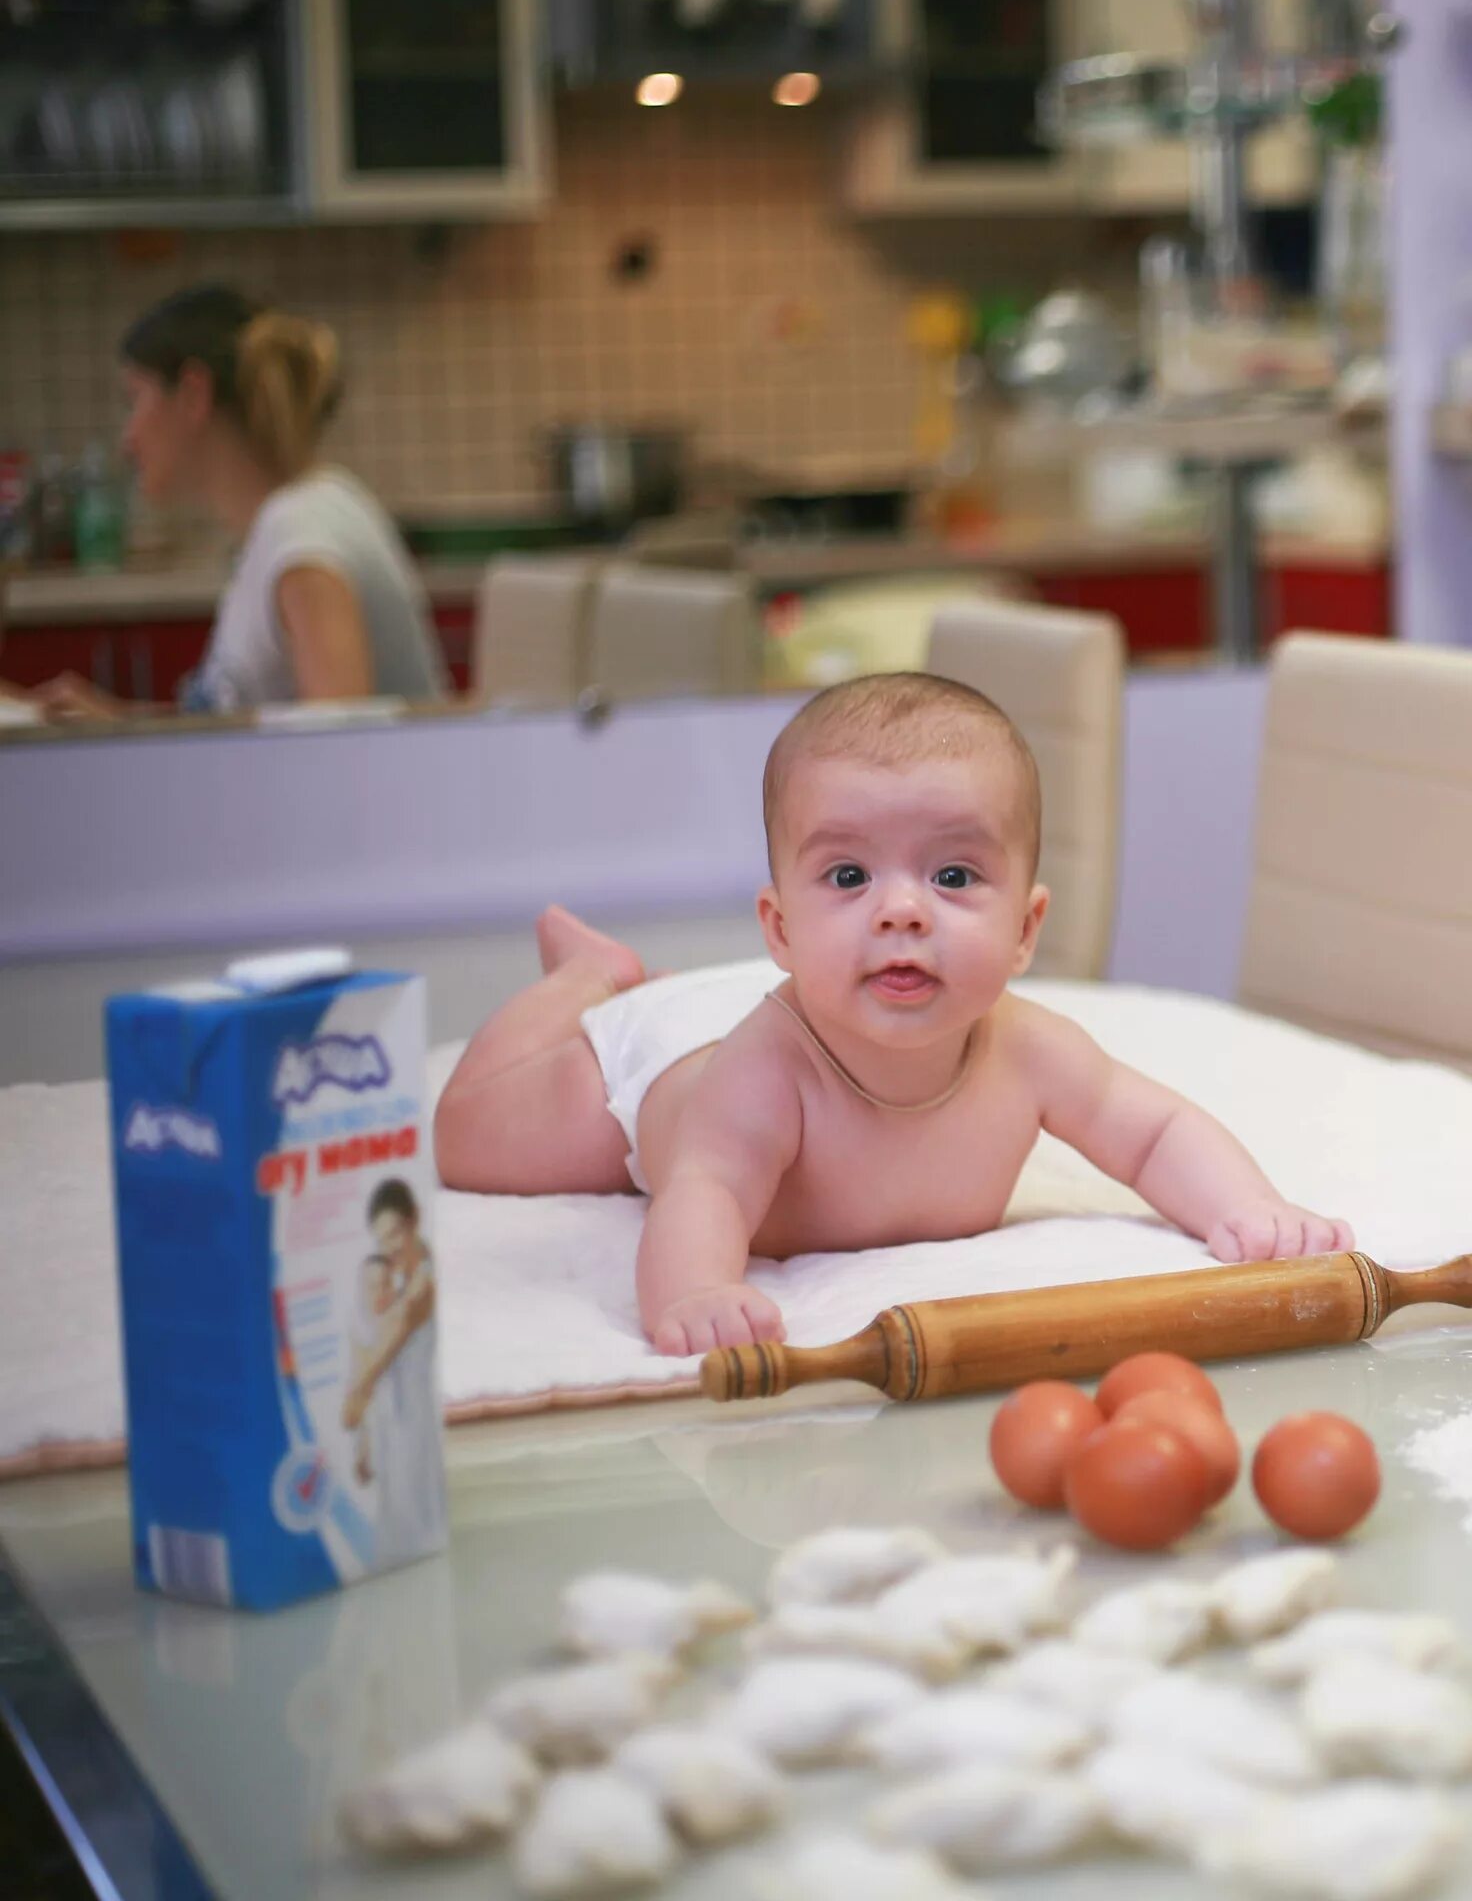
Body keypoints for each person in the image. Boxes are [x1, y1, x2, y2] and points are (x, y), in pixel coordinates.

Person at [435, 671, 1353, 1355]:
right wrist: (695, 1293)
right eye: (848, 876)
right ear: (781, 926)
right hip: (656, 1072)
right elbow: (704, 1188)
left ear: (1027, 927)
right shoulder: (767, 1072)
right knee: (469, 1139)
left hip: (748, 1019)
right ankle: (587, 981)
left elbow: (1154, 1132)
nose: (902, 909)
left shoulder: (1029, 1051)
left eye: (953, 875)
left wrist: (1250, 1207)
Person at [16, 285, 448, 720]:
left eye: (135, 399)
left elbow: (340, 760)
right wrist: (120, 722)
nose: (127, 440)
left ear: (192, 395)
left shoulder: (304, 543)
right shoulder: (285, 521)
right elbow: (246, 724)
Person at [340, 1179, 444, 1559]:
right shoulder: (396, 1285)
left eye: (396, 1233)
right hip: (391, 1419)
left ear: (415, 1219)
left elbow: (380, 1356)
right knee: (393, 1518)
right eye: (381, 1240)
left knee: (413, 1518)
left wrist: (356, 1389)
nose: (390, 1247)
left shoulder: (421, 1286)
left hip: (414, 1419)